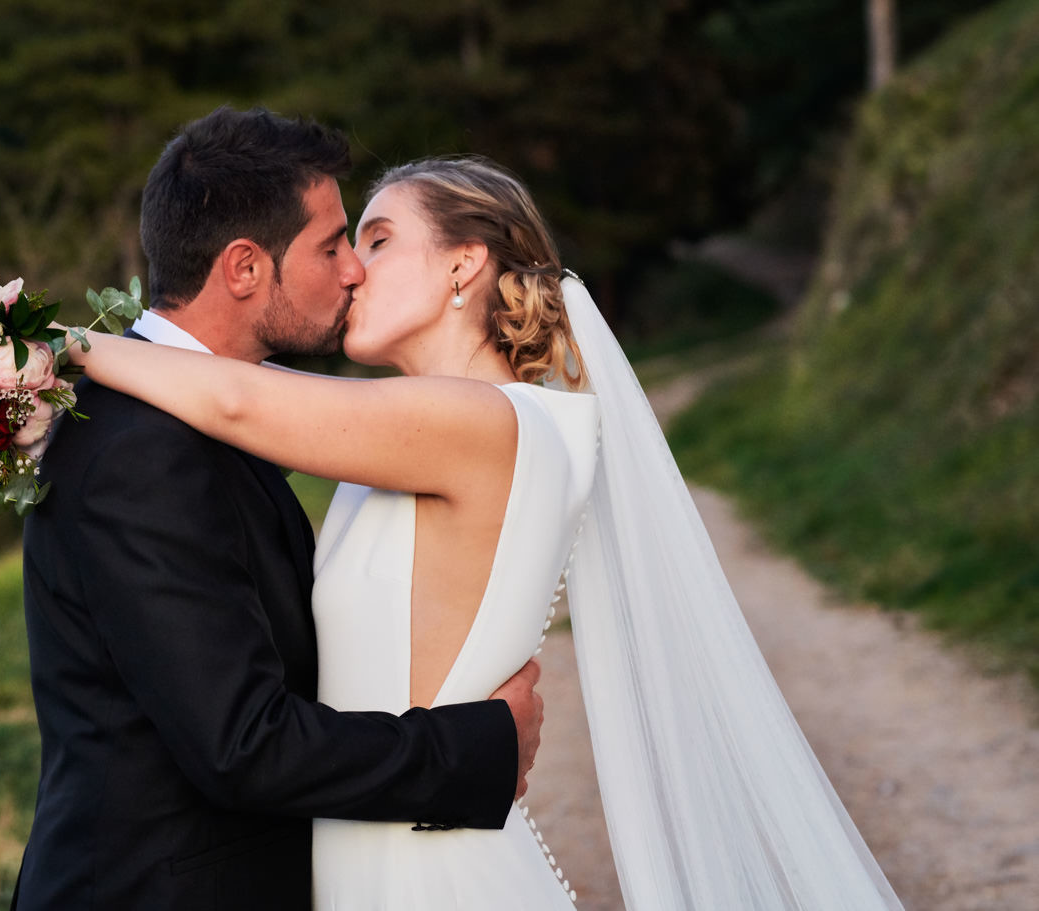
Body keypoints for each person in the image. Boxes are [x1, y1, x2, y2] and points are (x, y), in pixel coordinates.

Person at [65, 153, 908, 910]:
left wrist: (44, 348)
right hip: (389, 843)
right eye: (347, 244)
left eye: (381, 238)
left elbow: (235, 398)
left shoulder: (475, 421)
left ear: (465, 263)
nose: (353, 270)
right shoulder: (433, 430)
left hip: (425, 872)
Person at [11, 107, 545, 911]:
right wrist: (474, 751)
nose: (353, 270)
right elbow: (242, 745)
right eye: (332, 246)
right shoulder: (139, 450)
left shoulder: (197, 419)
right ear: (244, 268)